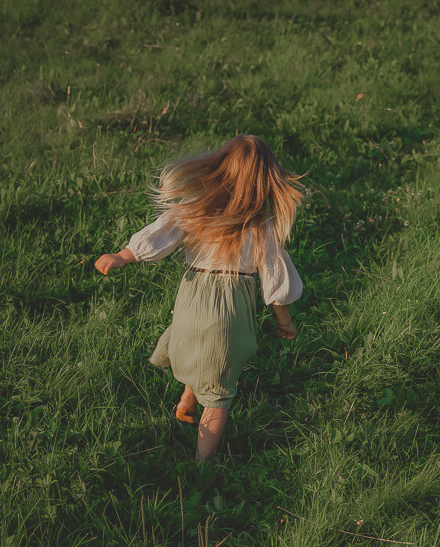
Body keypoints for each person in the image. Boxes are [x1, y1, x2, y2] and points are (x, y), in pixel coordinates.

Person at [95, 135, 303, 461]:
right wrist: (285, 322)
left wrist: (123, 255)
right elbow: (278, 286)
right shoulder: (263, 229)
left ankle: (186, 402)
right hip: (230, 310)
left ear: (218, 167)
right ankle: (202, 465)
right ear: (267, 180)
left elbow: (162, 232)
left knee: (200, 352)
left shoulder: (197, 210)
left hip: (191, 301)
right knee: (219, 391)